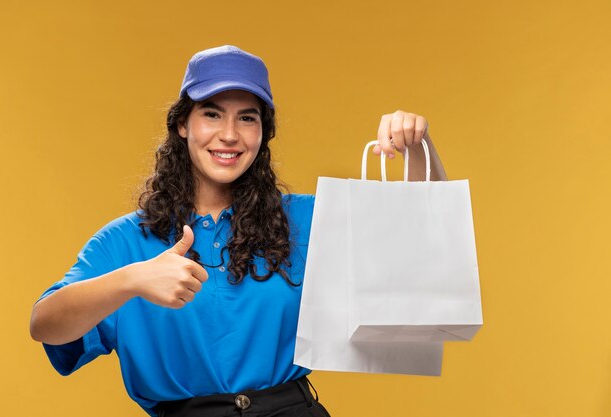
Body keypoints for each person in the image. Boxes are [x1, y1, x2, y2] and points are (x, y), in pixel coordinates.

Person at [29, 45, 447, 417]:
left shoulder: (305, 220)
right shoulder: (125, 241)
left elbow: (419, 241)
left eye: (246, 118)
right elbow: (44, 325)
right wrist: (132, 279)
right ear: (182, 125)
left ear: (262, 133)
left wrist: (417, 147)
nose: (229, 135)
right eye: (211, 113)